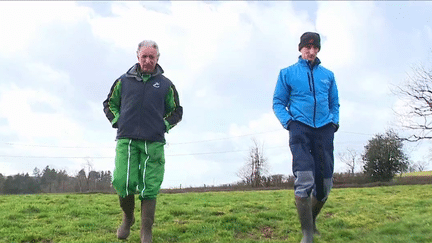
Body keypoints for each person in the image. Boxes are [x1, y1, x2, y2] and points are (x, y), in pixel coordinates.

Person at [103, 40, 183, 243]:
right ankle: (128, 218)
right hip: (127, 140)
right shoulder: (123, 81)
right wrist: (118, 121)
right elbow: (109, 103)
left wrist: (163, 125)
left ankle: (146, 230)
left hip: (154, 142)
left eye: (152, 57)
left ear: (157, 58)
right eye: (144, 56)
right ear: (137, 57)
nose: (148, 60)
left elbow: (176, 111)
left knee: (150, 185)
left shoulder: (166, 85)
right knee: (123, 181)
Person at [272, 32, 339, 243]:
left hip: (324, 130)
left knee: (325, 185)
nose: (311, 51)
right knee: (305, 179)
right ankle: (307, 235)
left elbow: (334, 103)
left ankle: (311, 221)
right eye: (307, 47)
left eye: (314, 47)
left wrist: (333, 122)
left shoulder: (328, 75)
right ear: (300, 49)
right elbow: (277, 102)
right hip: (300, 128)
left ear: (318, 49)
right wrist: (289, 123)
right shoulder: (287, 73)